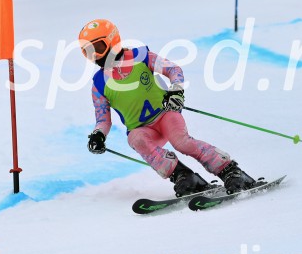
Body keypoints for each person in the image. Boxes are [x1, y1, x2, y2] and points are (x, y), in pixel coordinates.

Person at [79, 19, 258, 197]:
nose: (96, 56)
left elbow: (173, 69)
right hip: (142, 129)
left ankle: (230, 171)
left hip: (166, 115)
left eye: (98, 48)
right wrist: (98, 134)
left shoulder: (140, 57)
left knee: (182, 142)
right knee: (136, 139)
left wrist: (176, 91)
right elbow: (103, 120)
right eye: (88, 52)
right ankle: (184, 177)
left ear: (113, 41)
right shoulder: (99, 84)